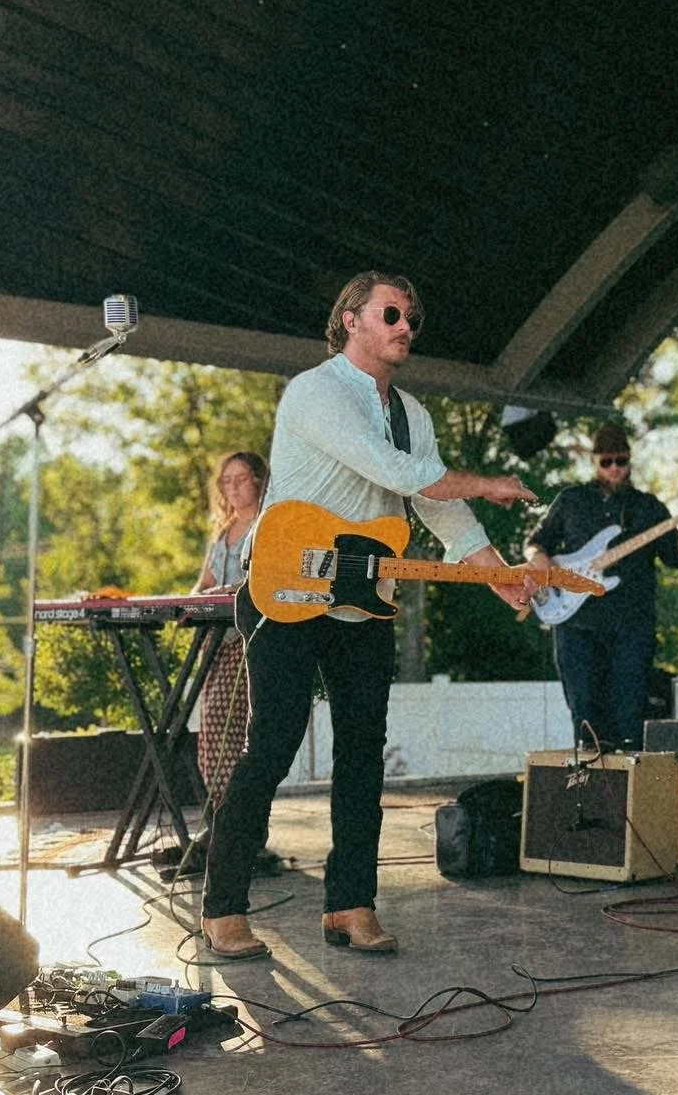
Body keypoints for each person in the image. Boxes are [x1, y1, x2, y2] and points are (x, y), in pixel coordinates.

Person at [200, 272, 538, 961]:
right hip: (286, 590)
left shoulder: (414, 412)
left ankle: (350, 904)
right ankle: (223, 906)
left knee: (363, 757)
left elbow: (441, 509)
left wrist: (497, 573)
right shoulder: (315, 392)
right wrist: (490, 480)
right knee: (272, 744)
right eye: (391, 312)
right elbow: (393, 472)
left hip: (364, 598)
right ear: (350, 319)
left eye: (412, 315)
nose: (405, 325)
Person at [524, 423, 678, 751]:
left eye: (620, 461)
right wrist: (540, 560)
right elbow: (536, 543)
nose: (614, 469)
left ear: (630, 461)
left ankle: (630, 792)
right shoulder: (571, 500)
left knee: (630, 715)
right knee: (585, 714)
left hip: (631, 626)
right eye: (606, 462)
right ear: (593, 462)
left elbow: (677, 558)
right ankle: (591, 789)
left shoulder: (649, 507)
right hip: (577, 624)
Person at [193, 451, 268, 807]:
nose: (233, 487)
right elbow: (204, 583)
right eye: (227, 481)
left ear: (257, 480)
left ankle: (232, 818)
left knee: (230, 728)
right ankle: (219, 815)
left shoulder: (265, 527)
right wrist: (191, 600)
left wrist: (224, 592)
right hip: (214, 641)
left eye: (241, 479)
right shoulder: (221, 533)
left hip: (246, 640)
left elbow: (264, 581)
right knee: (208, 732)